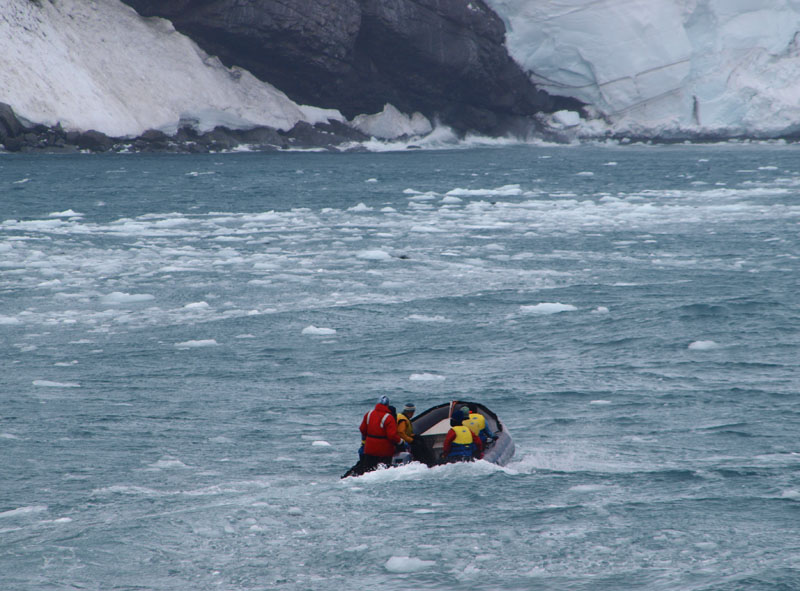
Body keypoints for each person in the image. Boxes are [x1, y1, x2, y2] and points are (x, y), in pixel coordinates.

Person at [341, 395, 401, 478]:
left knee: (367, 470)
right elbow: (392, 435)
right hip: (384, 450)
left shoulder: (369, 414)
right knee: (383, 471)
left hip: (369, 448)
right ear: (387, 405)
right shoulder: (389, 417)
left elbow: (362, 429)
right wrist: (400, 442)